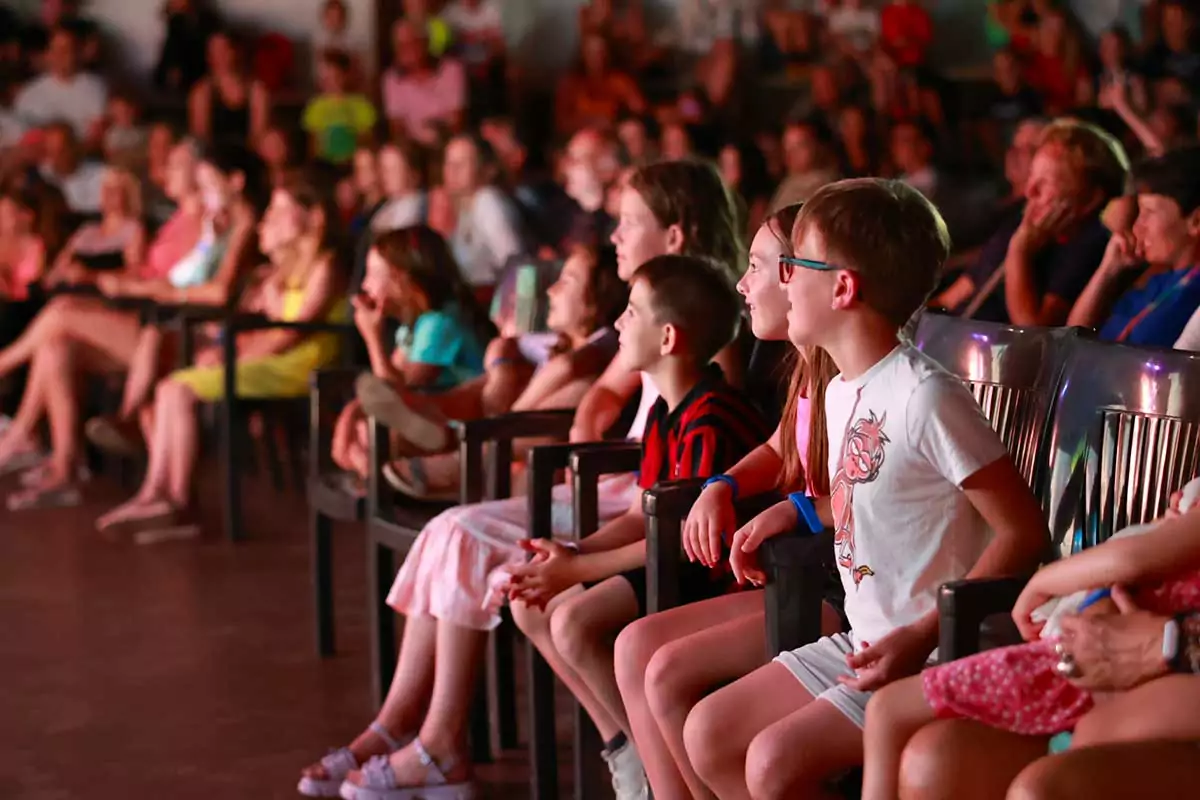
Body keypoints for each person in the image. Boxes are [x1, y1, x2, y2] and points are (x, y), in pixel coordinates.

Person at [303, 159, 744, 800]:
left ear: (676, 235)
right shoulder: (646, 310)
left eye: (628, 224)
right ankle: (402, 728)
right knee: (449, 529)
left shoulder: (702, 321)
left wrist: (579, 442)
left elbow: (690, 451)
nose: (613, 236)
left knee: (461, 532)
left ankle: (437, 744)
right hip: (623, 471)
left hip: (633, 486)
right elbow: (598, 389)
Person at [679, 178, 1049, 799]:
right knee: (710, 734)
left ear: (843, 288)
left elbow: (1023, 530)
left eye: (794, 265)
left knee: (771, 761)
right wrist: (796, 510)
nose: (783, 279)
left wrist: (925, 634)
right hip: (867, 637)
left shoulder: (925, 395)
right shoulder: (840, 389)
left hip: (935, 649)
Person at [612, 204, 840, 800]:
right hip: (798, 574)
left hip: (831, 589)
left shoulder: (851, 372)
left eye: (757, 265)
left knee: (666, 673)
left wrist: (794, 510)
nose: (743, 283)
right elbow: (777, 445)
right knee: (635, 645)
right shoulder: (808, 367)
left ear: (798, 275)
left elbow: (855, 498)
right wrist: (725, 485)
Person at [862, 476, 1200, 800]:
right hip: (1112, 644)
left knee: (1080, 747)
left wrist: (1044, 582)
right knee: (930, 755)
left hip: (1115, 666)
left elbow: (1132, 558)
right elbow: (1136, 559)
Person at [94, 173, 346, 538]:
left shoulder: (328, 265)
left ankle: (178, 500)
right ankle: (154, 492)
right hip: (272, 361)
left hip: (302, 367)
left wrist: (234, 358)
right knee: (168, 388)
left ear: (315, 216)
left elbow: (292, 334)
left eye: (280, 210)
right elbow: (263, 326)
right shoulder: (282, 271)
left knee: (177, 390)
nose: (268, 218)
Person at [354, 244, 627, 499]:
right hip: (499, 434)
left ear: (600, 298)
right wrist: (501, 372)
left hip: (533, 454)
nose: (551, 290)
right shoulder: (550, 341)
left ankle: (459, 452)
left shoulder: (609, 341)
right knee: (506, 374)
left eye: (566, 281)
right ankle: (443, 430)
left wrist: (510, 416)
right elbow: (504, 345)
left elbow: (567, 366)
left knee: (578, 388)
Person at [326, 225, 492, 488]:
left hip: (463, 428)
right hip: (431, 418)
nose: (365, 285)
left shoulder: (440, 323)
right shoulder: (414, 323)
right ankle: (377, 484)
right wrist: (351, 412)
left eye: (372, 274)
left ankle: (381, 488)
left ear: (402, 279)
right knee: (363, 429)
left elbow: (399, 393)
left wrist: (372, 338)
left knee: (371, 435)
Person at [930, 119, 1128, 326]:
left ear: (1090, 199)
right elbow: (949, 300)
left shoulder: (1088, 246)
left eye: (1046, 183)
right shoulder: (1020, 223)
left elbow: (1033, 332)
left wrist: (1019, 250)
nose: (1029, 191)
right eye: (1032, 176)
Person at [1067, 146, 1200, 347]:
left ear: (1196, 221)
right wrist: (1107, 271)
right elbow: (1071, 339)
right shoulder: (1155, 282)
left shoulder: (1192, 291)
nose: (1137, 226)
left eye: (1149, 212)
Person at [442, 134, 524, 292]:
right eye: (448, 163)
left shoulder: (488, 201)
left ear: (485, 168)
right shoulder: (465, 208)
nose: (452, 171)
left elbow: (514, 263)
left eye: (462, 163)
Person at [42, 166, 144, 286]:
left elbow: (134, 274)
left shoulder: (132, 230)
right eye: (105, 189)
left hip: (107, 295)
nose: (108, 194)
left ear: (126, 194)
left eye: (115, 190)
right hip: (72, 291)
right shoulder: (87, 231)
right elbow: (58, 268)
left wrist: (90, 277)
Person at [12, 26, 106, 148]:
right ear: (48, 54)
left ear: (78, 53)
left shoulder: (95, 86)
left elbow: (97, 133)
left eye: (67, 50)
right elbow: (23, 135)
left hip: (83, 154)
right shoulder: (30, 93)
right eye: (56, 50)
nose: (60, 56)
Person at [381, 19, 466, 146]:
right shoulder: (392, 78)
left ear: (425, 42)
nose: (406, 50)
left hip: (445, 142)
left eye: (411, 43)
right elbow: (396, 128)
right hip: (412, 149)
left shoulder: (451, 70)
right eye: (400, 45)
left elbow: (457, 122)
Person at [188, 30, 269, 147]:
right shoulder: (202, 91)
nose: (220, 55)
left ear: (235, 51)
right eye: (215, 51)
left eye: (224, 50)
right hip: (213, 158)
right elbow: (200, 137)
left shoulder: (256, 90)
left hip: (249, 156)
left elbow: (259, 135)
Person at [303, 49, 376, 167]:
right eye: (326, 77)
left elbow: (366, 141)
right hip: (325, 166)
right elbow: (313, 146)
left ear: (345, 76)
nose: (330, 82)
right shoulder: (315, 107)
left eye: (335, 76)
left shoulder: (362, 105)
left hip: (354, 164)